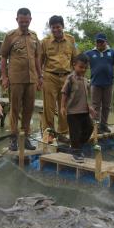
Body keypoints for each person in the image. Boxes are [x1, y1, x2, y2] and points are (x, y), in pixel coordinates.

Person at [0, 8, 42, 151]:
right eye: (21, 21)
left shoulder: (34, 36)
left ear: (30, 19)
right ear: (16, 20)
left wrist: (40, 76)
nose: (24, 24)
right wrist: (4, 77)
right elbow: (4, 57)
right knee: (15, 109)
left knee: (29, 109)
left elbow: (37, 57)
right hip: (16, 78)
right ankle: (13, 139)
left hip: (31, 79)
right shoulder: (10, 36)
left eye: (26, 21)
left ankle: (26, 137)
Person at [41, 15, 78, 143]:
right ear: (50, 28)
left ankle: (63, 133)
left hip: (67, 77)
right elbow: (40, 61)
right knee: (48, 108)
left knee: (65, 106)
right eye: (53, 27)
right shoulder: (45, 42)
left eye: (58, 27)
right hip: (50, 76)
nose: (56, 30)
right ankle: (49, 134)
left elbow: (75, 60)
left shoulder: (71, 40)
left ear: (63, 26)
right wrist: (40, 78)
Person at [85, 33, 114, 133]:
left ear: (105, 42)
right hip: (95, 84)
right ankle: (96, 127)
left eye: (101, 41)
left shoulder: (112, 52)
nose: (99, 43)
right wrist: (82, 78)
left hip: (108, 84)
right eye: (98, 41)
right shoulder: (90, 53)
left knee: (106, 106)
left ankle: (104, 125)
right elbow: (80, 62)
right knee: (95, 106)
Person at [61, 53, 95, 163]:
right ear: (74, 65)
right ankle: (75, 151)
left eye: (85, 68)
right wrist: (62, 107)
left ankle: (76, 146)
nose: (83, 69)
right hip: (73, 112)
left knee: (90, 128)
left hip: (84, 111)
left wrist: (90, 107)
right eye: (81, 67)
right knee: (74, 132)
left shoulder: (85, 80)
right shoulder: (70, 78)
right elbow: (64, 93)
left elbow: (86, 96)